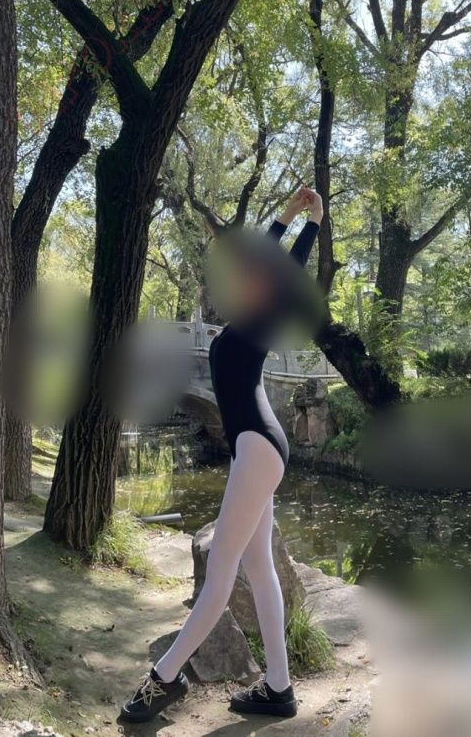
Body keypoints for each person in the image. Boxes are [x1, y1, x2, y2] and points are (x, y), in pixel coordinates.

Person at [120, 186, 324, 723]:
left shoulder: (262, 320)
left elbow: (284, 271)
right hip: (251, 449)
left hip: (257, 445)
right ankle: (278, 688)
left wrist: (311, 225)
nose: (251, 277)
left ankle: (164, 679)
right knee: (258, 566)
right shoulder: (242, 319)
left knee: (220, 573)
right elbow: (262, 262)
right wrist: (285, 216)